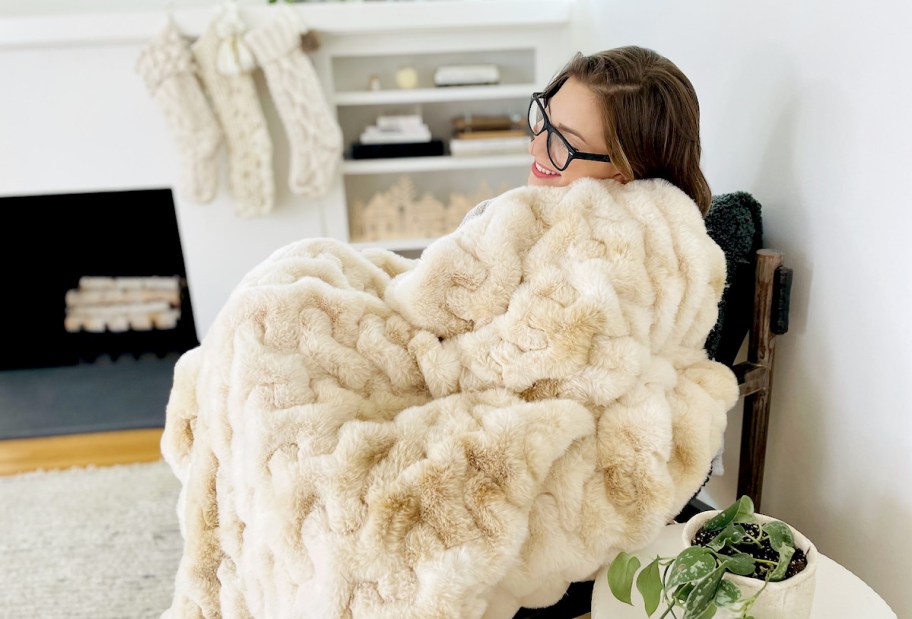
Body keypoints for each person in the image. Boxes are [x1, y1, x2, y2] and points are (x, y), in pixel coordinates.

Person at [463, 45, 711, 228]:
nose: (535, 147)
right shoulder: (492, 219)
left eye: (565, 141)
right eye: (544, 118)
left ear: (624, 172)